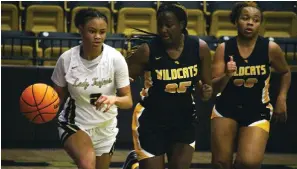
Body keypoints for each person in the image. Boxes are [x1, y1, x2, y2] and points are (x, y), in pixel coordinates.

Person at [125, 2, 213, 169]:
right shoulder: (147, 51)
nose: (163, 30)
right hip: (152, 120)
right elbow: (122, 79)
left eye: (169, 25)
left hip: (184, 119)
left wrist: (205, 90)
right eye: (160, 25)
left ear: (182, 25)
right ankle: (134, 165)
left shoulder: (199, 48)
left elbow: (206, 90)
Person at [211, 2, 291, 169]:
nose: (250, 23)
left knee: (249, 163)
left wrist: (282, 98)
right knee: (220, 163)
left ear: (260, 24)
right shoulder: (224, 48)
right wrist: (227, 75)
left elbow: (285, 72)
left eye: (255, 20)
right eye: (245, 18)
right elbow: (214, 87)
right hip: (226, 108)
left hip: (257, 110)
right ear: (236, 21)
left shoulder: (270, 48)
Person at [51, 8, 133, 169]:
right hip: (75, 123)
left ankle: (130, 164)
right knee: (87, 165)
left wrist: (114, 99)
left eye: (102, 32)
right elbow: (56, 98)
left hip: (105, 126)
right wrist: (41, 109)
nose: (98, 36)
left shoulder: (115, 59)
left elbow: (128, 101)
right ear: (80, 29)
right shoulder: (66, 59)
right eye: (92, 31)